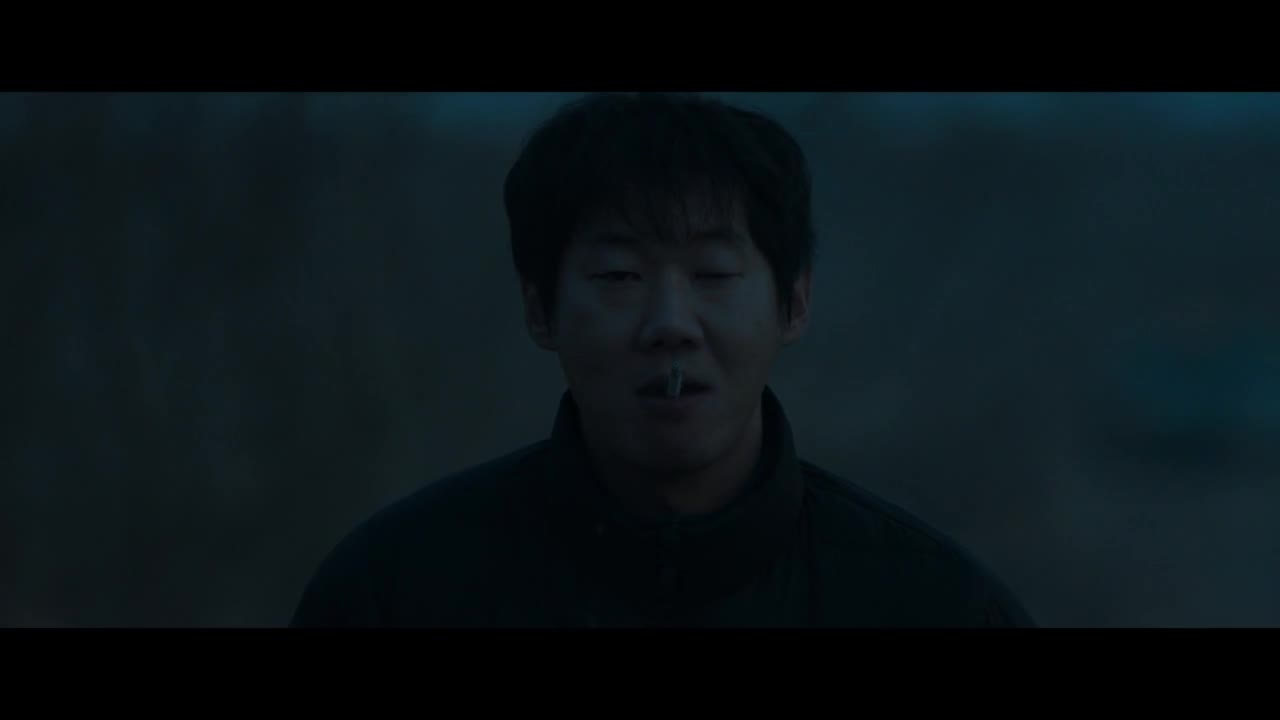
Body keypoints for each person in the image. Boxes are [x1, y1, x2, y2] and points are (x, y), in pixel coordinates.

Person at [290, 92, 1035, 627]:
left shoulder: (932, 604)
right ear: (541, 308)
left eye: (713, 274)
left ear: (794, 302)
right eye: (619, 276)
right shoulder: (396, 592)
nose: (671, 325)